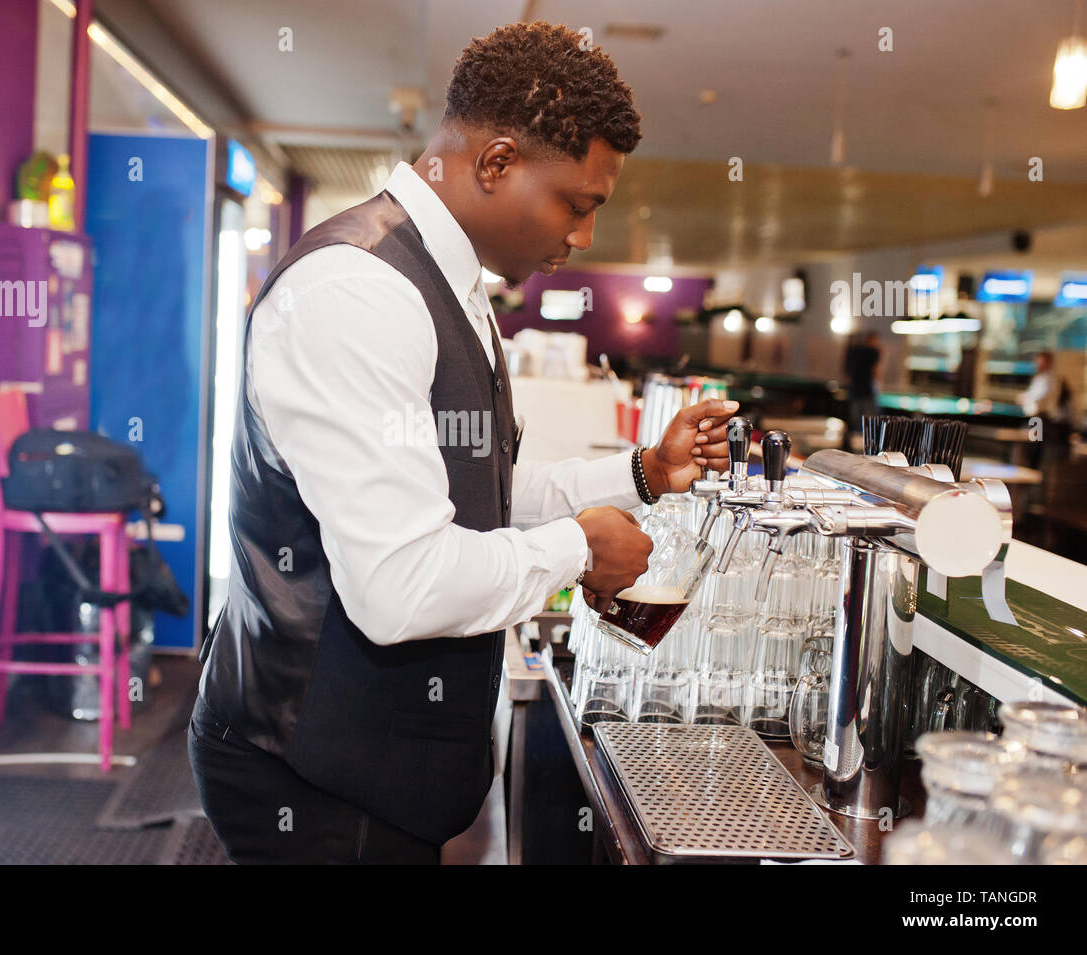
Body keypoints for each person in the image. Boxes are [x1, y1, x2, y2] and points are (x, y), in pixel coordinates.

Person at [188, 21, 739, 864]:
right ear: (496, 163)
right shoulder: (357, 292)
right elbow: (399, 586)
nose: (585, 236)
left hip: (379, 770)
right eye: (578, 203)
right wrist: (579, 550)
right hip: (311, 778)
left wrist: (643, 473)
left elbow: (467, 489)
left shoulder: (452, 287)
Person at [844, 330, 881, 442]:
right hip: (866, 392)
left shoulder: (854, 351)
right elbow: (876, 372)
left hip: (855, 390)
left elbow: (847, 370)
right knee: (869, 424)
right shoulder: (873, 352)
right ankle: (867, 444)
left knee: (856, 423)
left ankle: (857, 444)